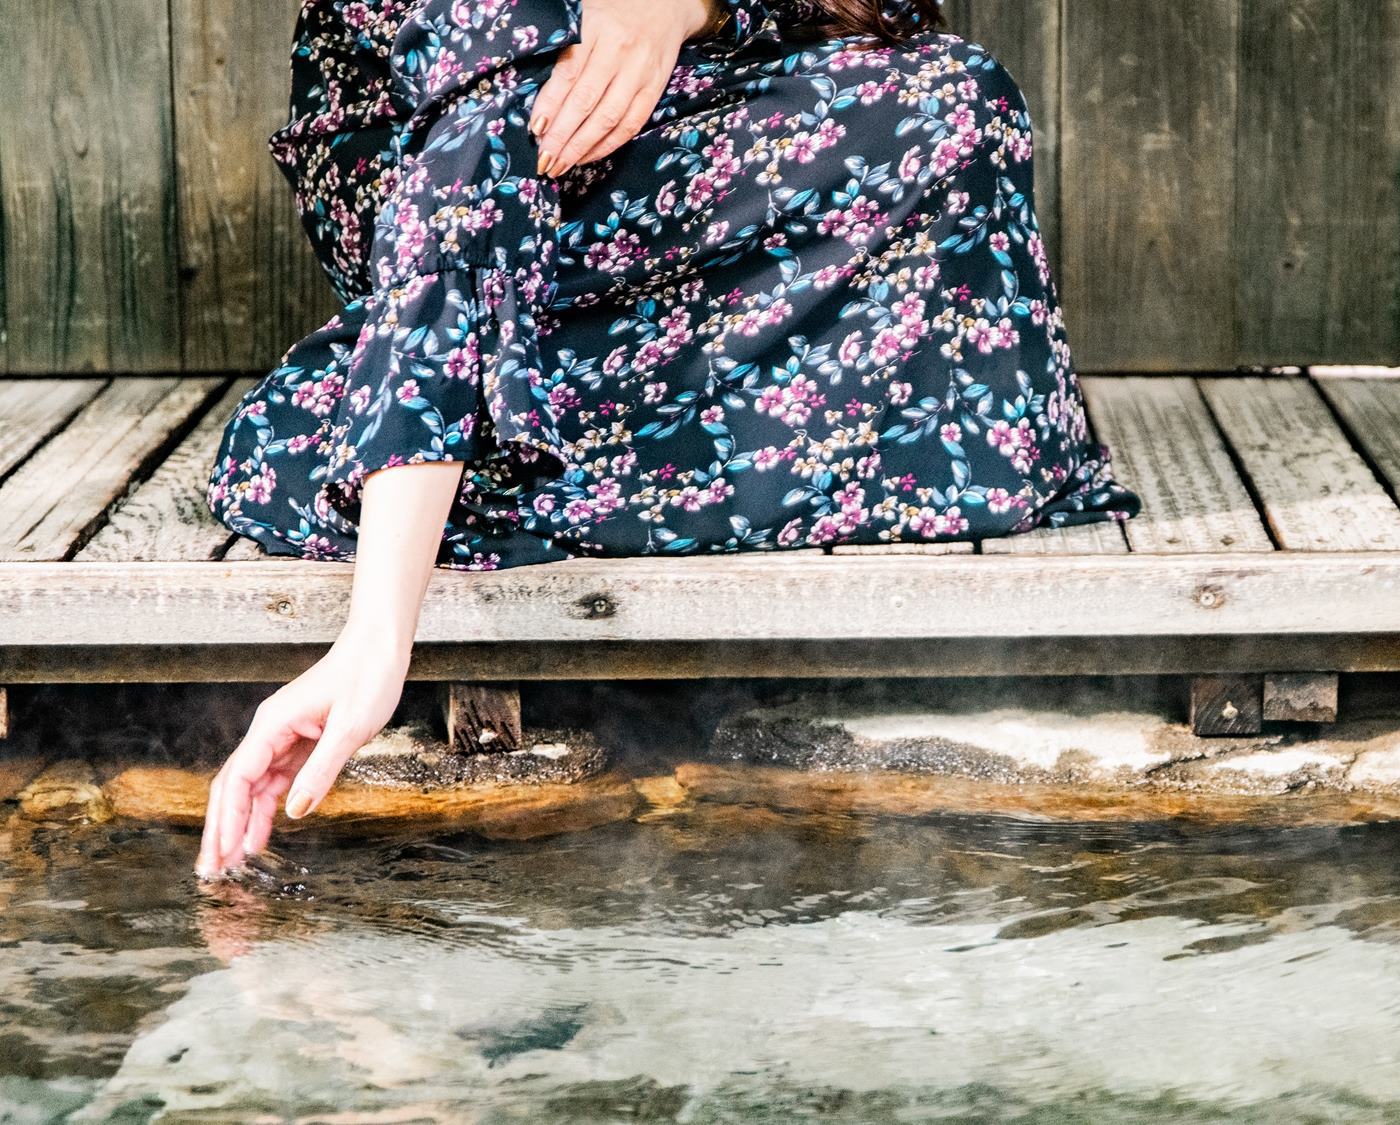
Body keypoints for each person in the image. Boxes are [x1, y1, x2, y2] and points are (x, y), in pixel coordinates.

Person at [194, 0, 1139, 877]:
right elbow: (476, 148)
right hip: (457, 190)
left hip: (682, 131)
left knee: (961, 99)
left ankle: (526, 424)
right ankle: (437, 425)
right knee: (508, 131)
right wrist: (375, 635)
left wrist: (683, 4)